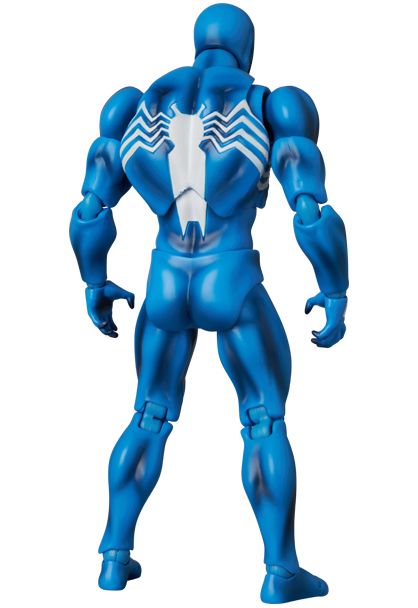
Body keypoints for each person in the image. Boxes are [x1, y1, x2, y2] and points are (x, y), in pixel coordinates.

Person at [70, 3, 348, 603]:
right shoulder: (272, 102)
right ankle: (281, 570)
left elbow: (91, 209)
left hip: (166, 281)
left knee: (148, 415)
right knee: (263, 419)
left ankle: (114, 557)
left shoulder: (135, 104)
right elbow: (309, 208)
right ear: (246, 47)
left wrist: (95, 281)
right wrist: (335, 289)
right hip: (231, 278)